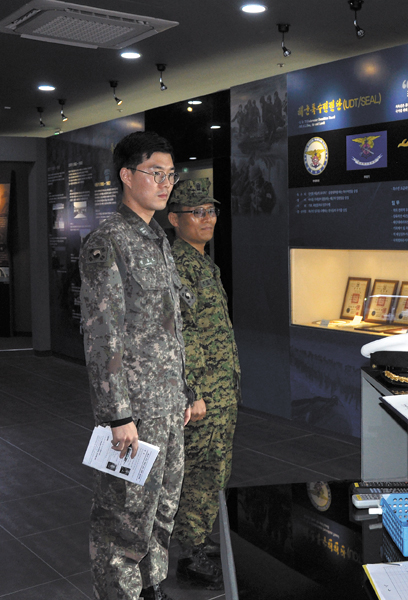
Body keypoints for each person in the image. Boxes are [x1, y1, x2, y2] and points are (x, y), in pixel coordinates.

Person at [80, 131, 191, 600]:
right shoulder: (108, 242)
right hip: (135, 413)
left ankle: (153, 587)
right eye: (155, 173)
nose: (165, 183)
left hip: (168, 404)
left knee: (163, 510)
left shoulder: (158, 240)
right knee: (123, 520)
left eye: (170, 175)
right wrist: (118, 415)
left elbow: (170, 329)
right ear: (127, 176)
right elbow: (102, 337)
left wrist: (184, 391)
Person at [167, 180, 241, 590]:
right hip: (202, 398)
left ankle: (199, 538)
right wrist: (193, 393)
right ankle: (191, 555)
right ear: (174, 219)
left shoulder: (202, 263)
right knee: (197, 472)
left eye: (211, 210)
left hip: (219, 392)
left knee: (214, 469)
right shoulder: (178, 265)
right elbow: (182, 336)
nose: (208, 218)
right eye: (198, 212)